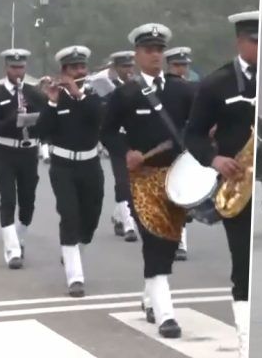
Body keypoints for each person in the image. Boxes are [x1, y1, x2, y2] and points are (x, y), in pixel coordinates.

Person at [103, 23, 194, 339]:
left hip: (177, 178)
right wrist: (126, 151)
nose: (155, 54)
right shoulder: (125, 94)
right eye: (149, 50)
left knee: (169, 241)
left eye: (159, 49)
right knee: (154, 241)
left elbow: (197, 125)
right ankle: (166, 315)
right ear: (137, 54)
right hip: (142, 179)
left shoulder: (182, 90)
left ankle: (150, 296)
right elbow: (107, 131)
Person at [185, 10, 258, 358]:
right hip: (239, 186)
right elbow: (193, 134)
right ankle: (247, 341)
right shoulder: (217, 83)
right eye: (255, 41)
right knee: (244, 266)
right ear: (240, 42)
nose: (261, 48)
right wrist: (214, 159)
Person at [36, 45, 104, 298]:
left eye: (82, 67)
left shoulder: (93, 96)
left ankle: (73, 252)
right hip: (63, 166)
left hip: (90, 164)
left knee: (91, 218)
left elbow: (99, 118)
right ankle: (75, 276)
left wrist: (78, 95)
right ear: (64, 72)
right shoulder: (56, 99)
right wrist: (52, 102)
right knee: (69, 216)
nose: (79, 71)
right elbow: (41, 131)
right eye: (74, 68)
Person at [0, 49, 47, 269]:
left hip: (28, 152)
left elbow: (47, 120)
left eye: (21, 67)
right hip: (4, 151)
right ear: (6, 68)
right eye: (13, 67)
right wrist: (12, 119)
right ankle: (11, 250)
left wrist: (34, 120)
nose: (18, 71)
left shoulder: (34, 93)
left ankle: (19, 238)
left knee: (28, 202)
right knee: (8, 199)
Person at [102, 50, 139, 243]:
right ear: (116, 69)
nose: (128, 70)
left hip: (137, 141)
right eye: (124, 66)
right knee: (122, 182)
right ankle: (129, 225)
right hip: (118, 140)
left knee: (134, 183)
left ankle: (118, 216)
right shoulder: (106, 89)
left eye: (130, 66)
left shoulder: (139, 86)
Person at [164, 46, 196, 261]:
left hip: (182, 148)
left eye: (184, 65)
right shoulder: (160, 88)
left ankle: (180, 241)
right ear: (169, 66)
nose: (181, 69)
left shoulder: (191, 88)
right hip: (161, 147)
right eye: (177, 65)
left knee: (179, 196)